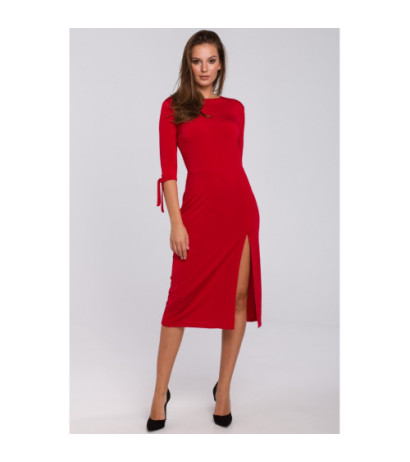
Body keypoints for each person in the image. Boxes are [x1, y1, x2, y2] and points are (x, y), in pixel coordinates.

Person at [147, 30, 262, 432]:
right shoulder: (173, 107)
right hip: (196, 213)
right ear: (188, 64)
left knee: (238, 298)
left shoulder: (235, 109)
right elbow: (169, 172)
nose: (204, 68)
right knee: (178, 303)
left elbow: (232, 163)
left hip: (239, 210)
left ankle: (223, 389)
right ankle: (159, 393)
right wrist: (176, 222)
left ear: (220, 64)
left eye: (211, 60)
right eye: (197, 61)